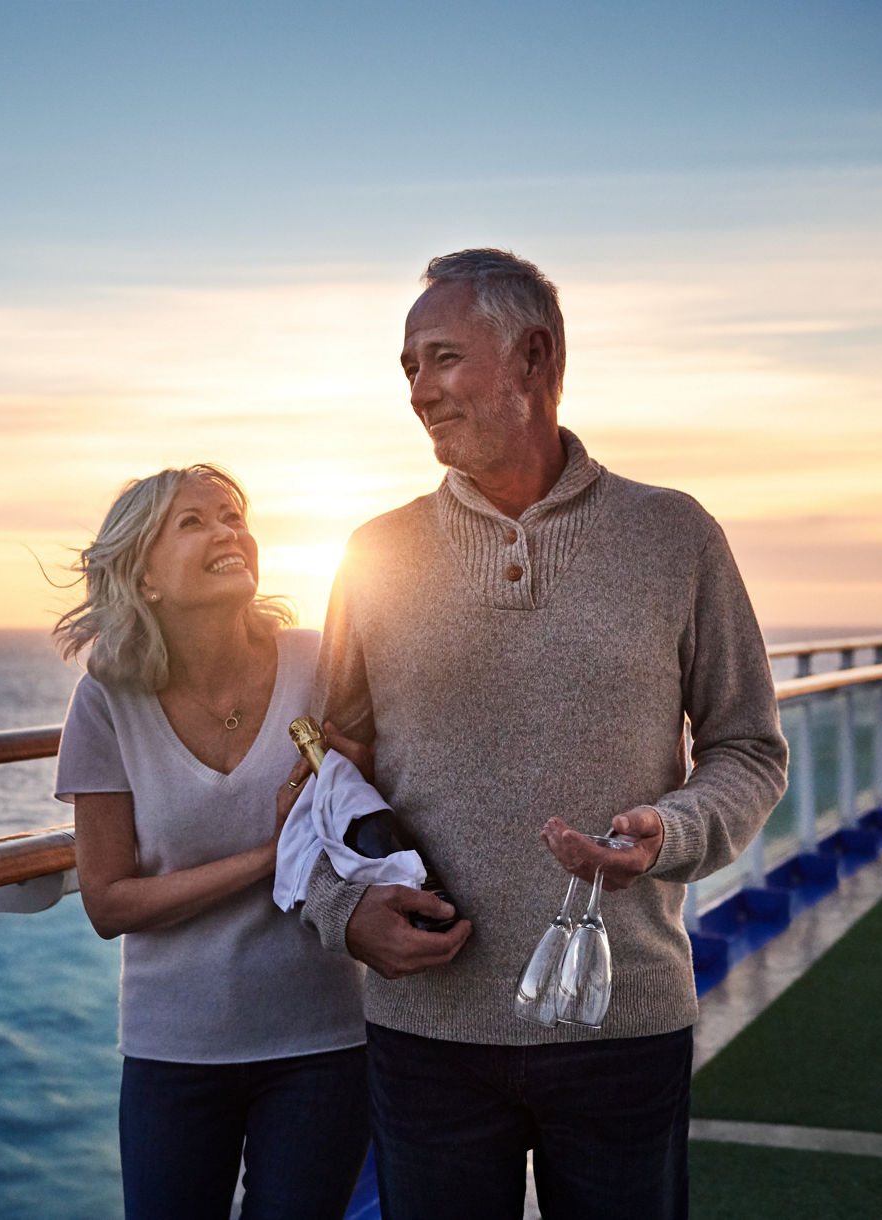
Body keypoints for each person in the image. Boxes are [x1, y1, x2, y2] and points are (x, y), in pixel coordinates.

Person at [298, 249, 789, 1220]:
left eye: (440, 358)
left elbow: (747, 746)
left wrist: (673, 828)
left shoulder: (673, 534)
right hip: (424, 1028)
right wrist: (336, 907)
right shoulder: (371, 552)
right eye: (407, 369)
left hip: (623, 1017)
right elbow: (320, 769)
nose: (418, 392)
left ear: (532, 356)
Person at [52, 464, 369, 1220]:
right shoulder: (106, 700)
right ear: (144, 577)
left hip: (321, 1040)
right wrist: (266, 858)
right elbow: (107, 901)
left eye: (232, 516)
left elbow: (380, 803)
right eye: (192, 523)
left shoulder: (319, 666)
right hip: (174, 1053)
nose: (227, 531)